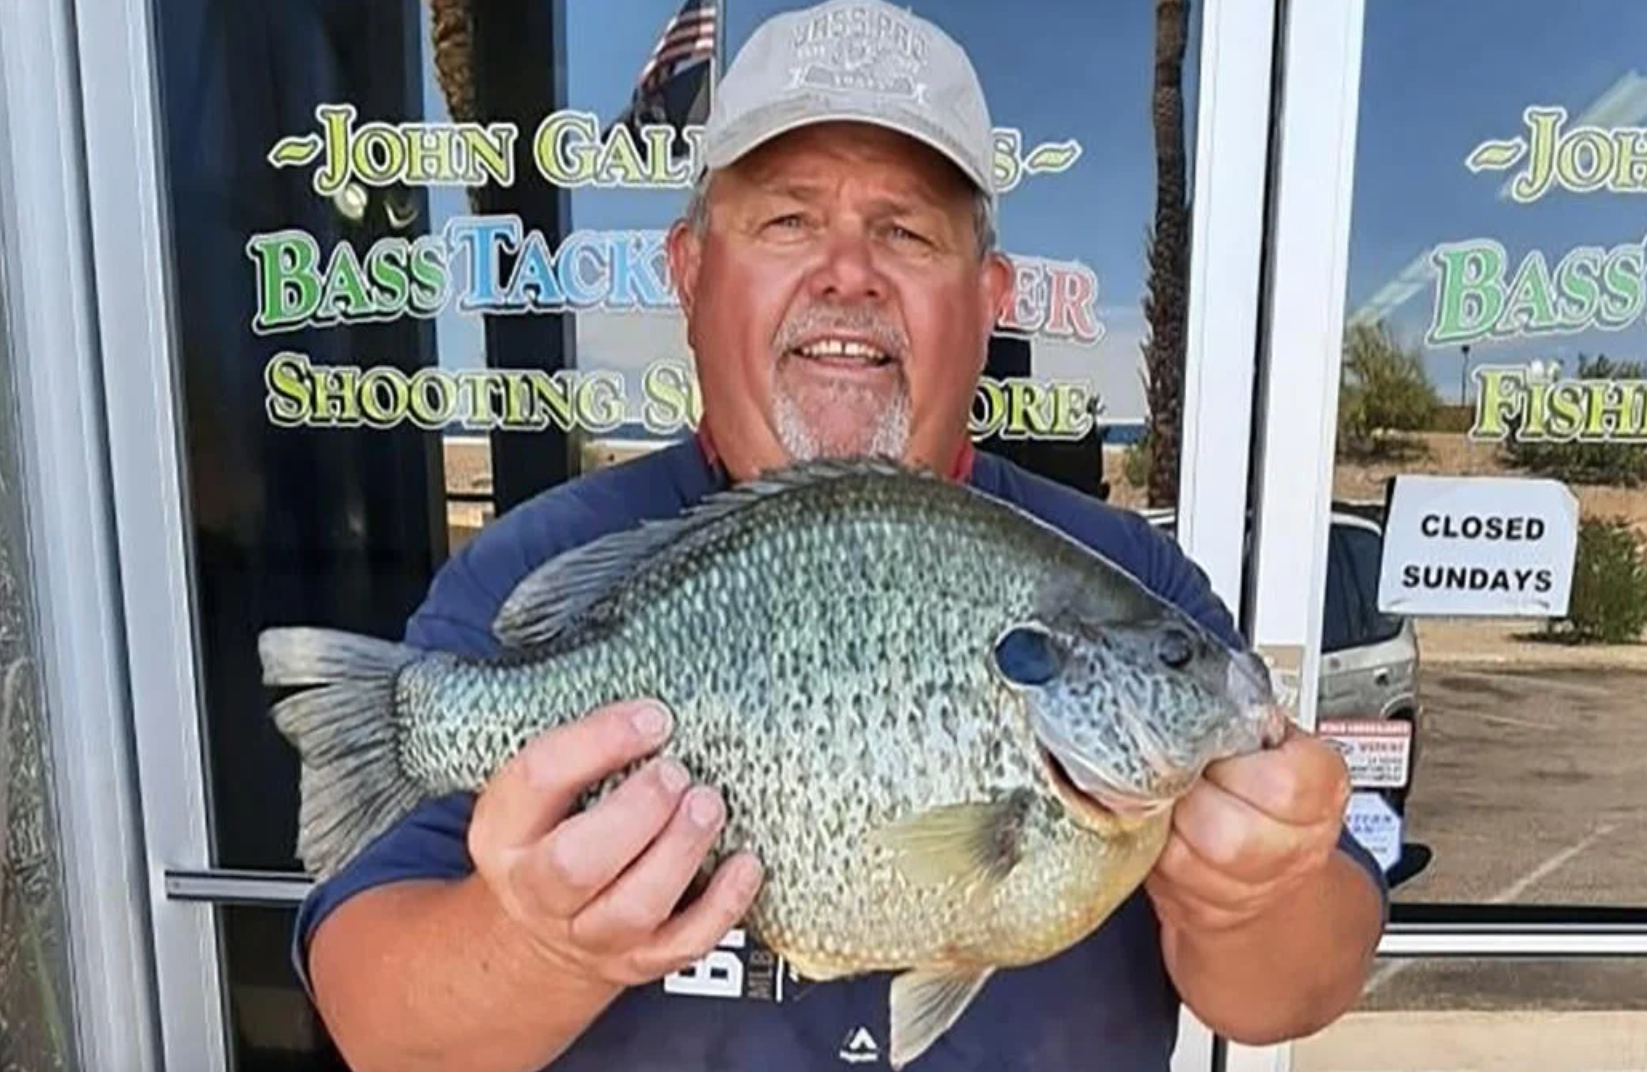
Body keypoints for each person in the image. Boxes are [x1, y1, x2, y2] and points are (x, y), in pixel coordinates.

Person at [293, 1, 1387, 1069]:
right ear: (689, 272)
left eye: (906, 230)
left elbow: (1287, 994)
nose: (848, 272)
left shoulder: (1120, 582)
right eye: (787, 220)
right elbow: (377, 1023)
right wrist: (536, 945)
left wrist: (1258, 894)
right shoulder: (535, 566)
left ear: (988, 294)